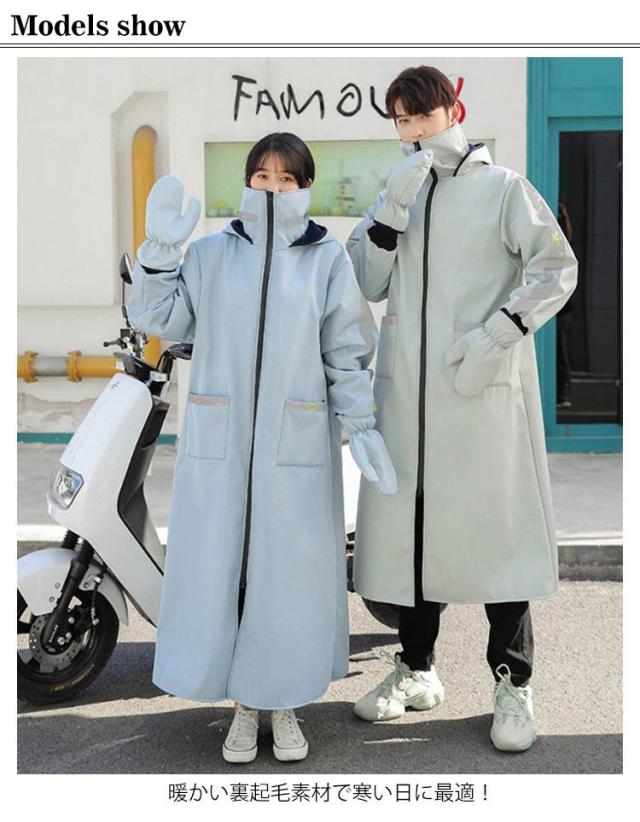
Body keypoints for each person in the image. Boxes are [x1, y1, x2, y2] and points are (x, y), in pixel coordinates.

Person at [126, 133, 396, 764]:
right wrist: (160, 254)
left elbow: (346, 350)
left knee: (289, 577)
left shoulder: (327, 259)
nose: (274, 187)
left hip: (294, 443)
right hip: (219, 442)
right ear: (247, 181)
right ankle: (245, 707)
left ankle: (284, 702)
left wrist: (360, 423)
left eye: (287, 178)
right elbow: (158, 320)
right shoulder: (209, 254)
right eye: (263, 175)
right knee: (227, 572)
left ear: (306, 186)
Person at [346, 66, 578, 752]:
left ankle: (513, 682)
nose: (413, 130)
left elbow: (556, 266)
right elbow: (366, 282)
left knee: (496, 535)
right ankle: (417, 669)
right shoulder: (396, 192)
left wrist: (499, 331)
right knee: (415, 537)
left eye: (423, 115)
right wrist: (388, 216)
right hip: (408, 402)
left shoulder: (503, 188)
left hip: (478, 392)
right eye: (401, 119)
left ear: (455, 111)